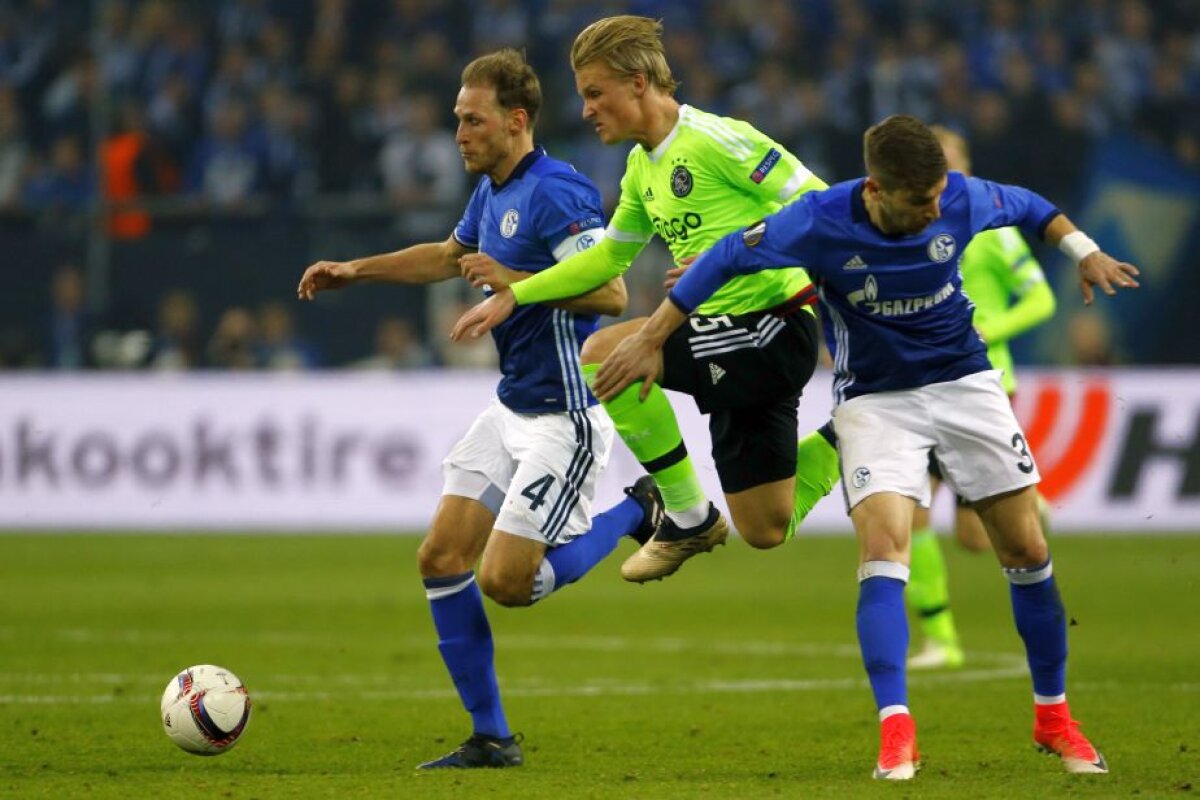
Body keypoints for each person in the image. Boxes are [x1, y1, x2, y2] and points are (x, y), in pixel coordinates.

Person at [589, 114, 1138, 781]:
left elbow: (1030, 206)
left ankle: (1054, 718)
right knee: (884, 553)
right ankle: (896, 734)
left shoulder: (957, 197)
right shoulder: (818, 221)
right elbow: (728, 255)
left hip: (967, 383)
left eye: (940, 196)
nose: (937, 209)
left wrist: (1082, 250)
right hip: (877, 403)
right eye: (921, 201)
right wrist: (651, 337)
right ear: (876, 189)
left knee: (1025, 550)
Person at [297, 49, 661, 770]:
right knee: (440, 556)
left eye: (472, 120)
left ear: (515, 121)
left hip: (565, 413)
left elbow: (613, 296)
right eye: (457, 119)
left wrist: (514, 282)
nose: (458, 133)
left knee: (507, 583)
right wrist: (355, 271)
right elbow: (445, 255)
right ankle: (491, 738)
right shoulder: (493, 191)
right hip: (511, 407)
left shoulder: (559, 192)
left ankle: (638, 510)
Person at [451, 16, 842, 583]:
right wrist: (518, 294)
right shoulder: (641, 169)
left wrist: (742, 255)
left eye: (594, 92)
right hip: (724, 333)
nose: (585, 110)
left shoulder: (715, 140)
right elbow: (608, 259)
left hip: (772, 322)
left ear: (638, 82)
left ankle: (686, 516)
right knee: (765, 527)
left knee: (609, 354)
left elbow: (823, 208)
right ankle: (855, 431)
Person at [904, 125, 1059, 670]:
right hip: (919, 387)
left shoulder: (994, 232)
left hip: (984, 387)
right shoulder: (907, 228)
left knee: (975, 537)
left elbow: (1042, 300)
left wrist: (993, 324)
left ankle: (1031, 498)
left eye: (950, 164)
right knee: (913, 517)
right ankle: (940, 640)